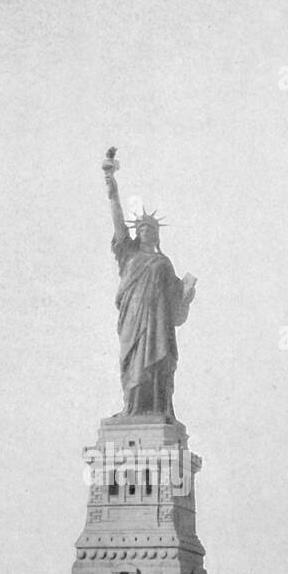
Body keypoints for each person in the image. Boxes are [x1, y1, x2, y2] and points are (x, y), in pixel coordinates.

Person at [103, 158, 196, 418]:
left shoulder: (163, 263)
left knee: (158, 364)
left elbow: (176, 305)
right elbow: (118, 224)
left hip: (158, 324)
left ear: (156, 235)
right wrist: (113, 191)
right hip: (133, 322)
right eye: (141, 229)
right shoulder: (128, 256)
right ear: (137, 234)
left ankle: (158, 409)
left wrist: (186, 294)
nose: (145, 233)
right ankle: (131, 409)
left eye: (150, 230)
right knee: (133, 365)